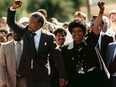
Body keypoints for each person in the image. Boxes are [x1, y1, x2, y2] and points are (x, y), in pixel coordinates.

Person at [7, 0, 67, 87]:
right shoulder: (25, 32)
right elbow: (11, 23)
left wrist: (62, 75)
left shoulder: (49, 37)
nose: (29, 24)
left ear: (39, 24)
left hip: (44, 76)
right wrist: (13, 8)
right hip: (28, 76)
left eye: (32, 22)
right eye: (29, 22)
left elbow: (57, 57)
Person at [61, 2, 106, 87]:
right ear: (71, 33)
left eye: (79, 31)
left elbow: (96, 26)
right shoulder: (66, 48)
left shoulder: (89, 41)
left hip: (92, 80)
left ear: (84, 32)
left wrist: (101, 11)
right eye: (74, 32)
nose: (76, 34)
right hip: (75, 81)